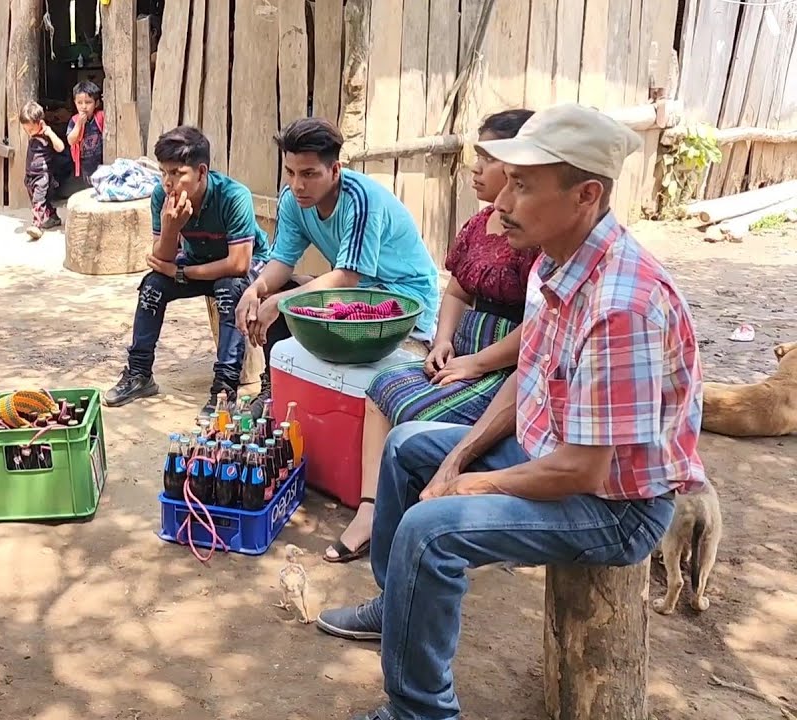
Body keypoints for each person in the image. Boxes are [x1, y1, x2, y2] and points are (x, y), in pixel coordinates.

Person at [314, 104, 706, 720]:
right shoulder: (557, 261)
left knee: (429, 529)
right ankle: (396, 604)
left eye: (522, 186)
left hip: (614, 508)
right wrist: (459, 456)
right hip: (550, 456)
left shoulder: (621, 306)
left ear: (586, 195)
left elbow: (581, 472)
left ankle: (418, 711)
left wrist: (469, 482)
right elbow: (528, 375)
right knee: (408, 444)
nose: (502, 202)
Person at [323, 109, 539, 563]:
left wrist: (478, 363)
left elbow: (540, 327)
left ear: (521, 168)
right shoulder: (479, 225)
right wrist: (443, 341)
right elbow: (458, 290)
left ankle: (429, 517)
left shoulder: (536, 235)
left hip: (506, 369)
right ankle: (369, 509)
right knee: (381, 387)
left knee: (416, 413)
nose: (475, 169)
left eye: (487, 158)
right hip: (462, 352)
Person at [235, 118, 441, 418]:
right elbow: (281, 261)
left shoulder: (361, 199)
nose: (297, 185)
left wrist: (281, 301)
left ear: (335, 170)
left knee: (286, 300)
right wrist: (257, 289)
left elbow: (347, 275)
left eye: (309, 174)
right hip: (354, 293)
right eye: (290, 173)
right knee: (274, 288)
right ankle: (273, 388)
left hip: (400, 297)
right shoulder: (292, 199)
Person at [102, 125, 269, 414]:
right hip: (198, 262)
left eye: (177, 173)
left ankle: (224, 389)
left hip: (247, 268)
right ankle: (140, 373)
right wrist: (170, 228)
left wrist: (180, 273)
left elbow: (239, 264)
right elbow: (161, 258)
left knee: (229, 289)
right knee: (152, 286)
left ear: (201, 172)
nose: (168, 182)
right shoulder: (161, 196)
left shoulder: (233, 196)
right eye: (164, 172)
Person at [18, 101, 65, 238]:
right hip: (31, 175)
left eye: (31, 129)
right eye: (26, 130)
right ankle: (53, 217)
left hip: (43, 175)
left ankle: (36, 225)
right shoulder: (34, 136)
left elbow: (60, 147)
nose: (29, 133)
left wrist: (50, 132)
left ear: (40, 122)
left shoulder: (46, 135)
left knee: (38, 201)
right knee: (40, 200)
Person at [65, 80, 105, 182]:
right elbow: (71, 140)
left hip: (102, 160)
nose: (83, 106)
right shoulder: (74, 120)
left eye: (88, 102)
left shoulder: (100, 116)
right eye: (79, 103)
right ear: (75, 103)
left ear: (96, 103)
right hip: (86, 164)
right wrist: (79, 124)